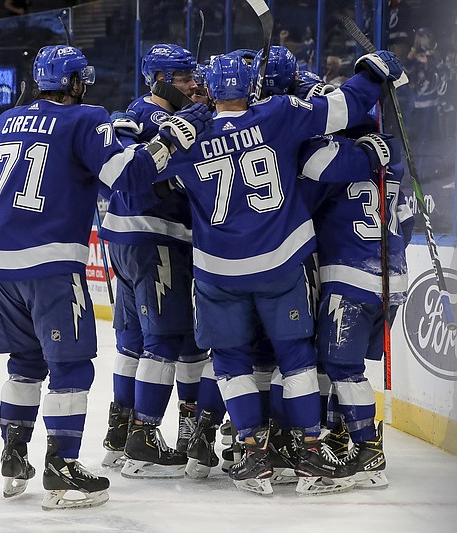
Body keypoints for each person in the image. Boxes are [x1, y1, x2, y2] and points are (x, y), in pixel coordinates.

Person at [0, 44, 206, 509]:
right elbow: (128, 177)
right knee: (70, 368)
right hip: (50, 265)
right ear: (75, 82)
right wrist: (169, 141)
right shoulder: (87, 117)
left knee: (25, 364)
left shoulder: (6, 120)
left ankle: (13, 454)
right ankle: (61, 467)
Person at [164, 49, 403, 496]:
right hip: (280, 263)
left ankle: (248, 449)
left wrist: (165, 129)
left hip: (218, 272)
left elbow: (134, 175)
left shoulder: (189, 137)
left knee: (231, 361)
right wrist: (374, 74)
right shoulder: (277, 114)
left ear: (209, 90)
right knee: (295, 358)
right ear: (252, 87)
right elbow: (345, 106)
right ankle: (308, 446)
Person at [98, 43, 212, 479]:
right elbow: (170, 163)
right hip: (157, 237)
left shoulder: (133, 112)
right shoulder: (163, 119)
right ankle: (144, 435)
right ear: (163, 79)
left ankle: (119, 435)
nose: (194, 85)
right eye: (185, 79)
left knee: (133, 343)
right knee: (165, 342)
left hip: (124, 240)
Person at [298, 119, 413, 490]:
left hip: (350, 279)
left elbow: (303, 212)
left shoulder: (339, 162)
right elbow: (407, 224)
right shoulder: (396, 162)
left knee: (341, 367)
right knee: (345, 365)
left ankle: (368, 449)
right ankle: (337, 435)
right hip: (393, 279)